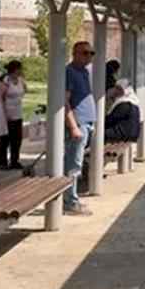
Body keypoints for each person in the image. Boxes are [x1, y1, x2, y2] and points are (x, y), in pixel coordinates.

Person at [63, 41, 98, 216]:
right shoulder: (69, 72)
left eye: (91, 53)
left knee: (75, 162)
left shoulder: (84, 72)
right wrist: (73, 126)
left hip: (87, 123)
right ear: (74, 53)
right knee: (73, 164)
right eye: (85, 53)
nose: (89, 56)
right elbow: (65, 101)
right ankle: (70, 202)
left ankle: (71, 198)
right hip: (78, 125)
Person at [0, 60, 27, 169]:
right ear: (14, 70)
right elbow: (0, 97)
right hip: (7, 113)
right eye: (19, 69)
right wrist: (4, 113)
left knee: (17, 139)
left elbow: (25, 90)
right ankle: (2, 162)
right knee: (6, 139)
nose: (20, 71)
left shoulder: (20, 80)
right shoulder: (5, 81)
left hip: (18, 113)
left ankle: (15, 160)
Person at [104, 78, 142, 143]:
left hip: (122, 135)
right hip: (131, 135)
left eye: (118, 89)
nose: (115, 91)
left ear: (124, 90)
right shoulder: (134, 102)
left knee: (96, 135)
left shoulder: (124, 103)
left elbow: (109, 120)